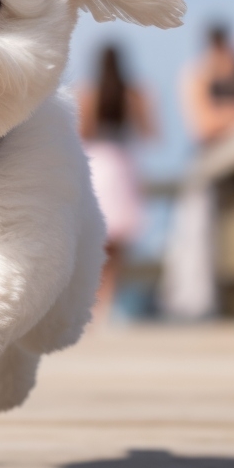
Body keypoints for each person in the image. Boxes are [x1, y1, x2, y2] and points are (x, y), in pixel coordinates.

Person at [162, 25, 234, 320]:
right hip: (207, 168)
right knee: (198, 240)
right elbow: (203, 126)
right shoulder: (196, 75)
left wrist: (231, 110)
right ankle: (201, 309)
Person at [78, 45, 155, 321]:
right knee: (118, 245)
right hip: (122, 164)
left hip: (98, 164)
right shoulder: (135, 94)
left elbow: (82, 133)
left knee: (97, 240)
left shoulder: (89, 93)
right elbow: (149, 132)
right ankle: (107, 304)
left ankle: (95, 304)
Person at [180, 24, 234, 145]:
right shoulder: (197, 77)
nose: (220, 53)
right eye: (216, 47)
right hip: (217, 150)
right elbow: (205, 127)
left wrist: (226, 117)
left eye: (222, 46)